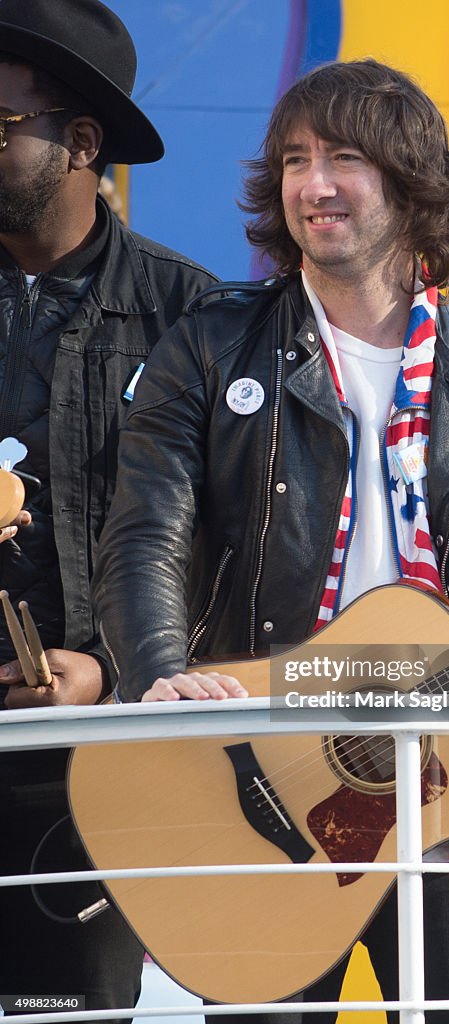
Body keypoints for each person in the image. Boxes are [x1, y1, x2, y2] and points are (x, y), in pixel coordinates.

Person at [92, 58, 449, 1024]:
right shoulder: (208, 346)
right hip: (266, 782)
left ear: (412, 185)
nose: (311, 184)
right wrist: (162, 675)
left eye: (345, 159)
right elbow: (144, 540)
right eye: (294, 159)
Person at [0, 0, 218, 1018]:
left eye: (0, 121)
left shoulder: (198, 318)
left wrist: (113, 670)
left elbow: (245, 551)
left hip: (104, 776)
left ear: (82, 143)